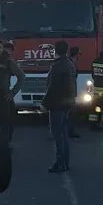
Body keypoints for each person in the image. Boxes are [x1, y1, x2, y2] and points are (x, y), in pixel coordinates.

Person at [42, 40, 76, 173]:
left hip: (57, 103)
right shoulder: (70, 64)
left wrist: (44, 103)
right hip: (67, 102)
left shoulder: (57, 65)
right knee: (64, 134)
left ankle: (60, 163)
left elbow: (52, 86)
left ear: (54, 50)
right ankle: (65, 162)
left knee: (58, 135)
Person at [67, 46, 83, 138]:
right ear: (76, 55)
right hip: (69, 93)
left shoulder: (69, 63)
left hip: (69, 92)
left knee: (69, 113)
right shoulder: (70, 64)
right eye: (78, 55)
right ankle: (69, 132)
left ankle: (68, 131)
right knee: (71, 113)